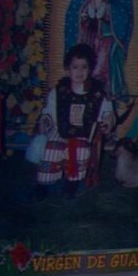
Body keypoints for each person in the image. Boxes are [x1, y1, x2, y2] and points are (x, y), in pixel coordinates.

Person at [34, 43, 113, 193]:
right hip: (60, 129)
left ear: (89, 69)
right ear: (68, 68)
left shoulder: (96, 93)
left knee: (80, 150)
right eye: (75, 67)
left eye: (84, 67)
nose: (79, 71)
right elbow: (49, 110)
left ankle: (72, 180)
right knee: (51, 149)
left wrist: (107, 121)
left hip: (82, 132)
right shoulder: (59, 90)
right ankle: (43, 182)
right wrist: (45, 119)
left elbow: (106, 111)